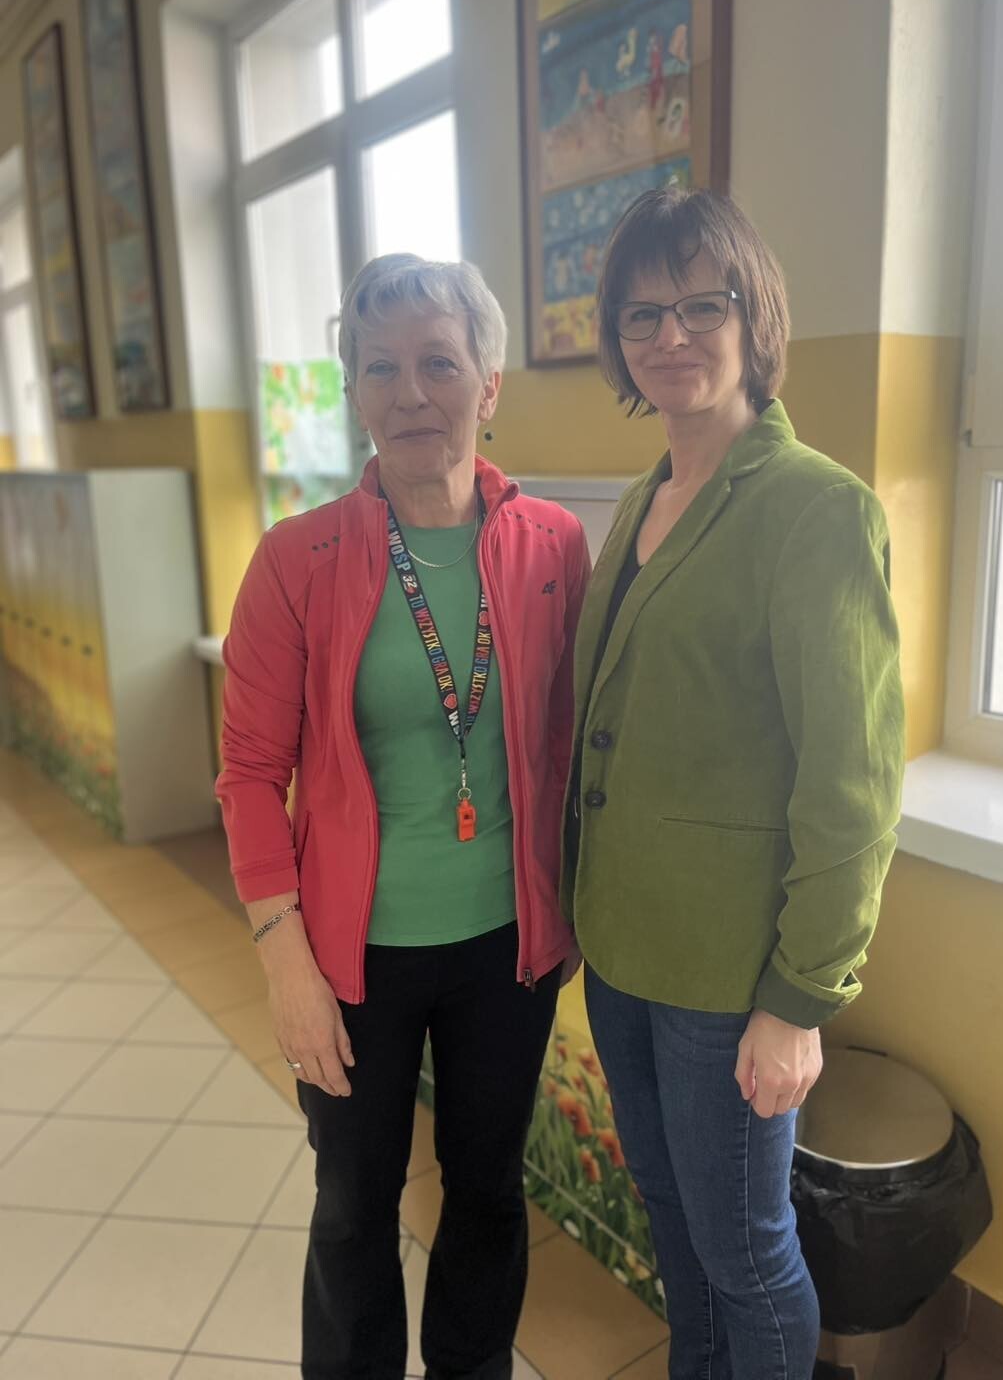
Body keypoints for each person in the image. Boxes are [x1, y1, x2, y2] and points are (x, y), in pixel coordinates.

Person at [217, 253, 591, 1380]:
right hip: (349, 957)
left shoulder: (553, 546)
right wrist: (283, 956)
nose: (410, 392)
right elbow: (248, 773)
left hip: (506, 949)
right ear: (353, 393)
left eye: (439, 362)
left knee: (487, 1192)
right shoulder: (298, 559)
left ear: (490, 384)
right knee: (352, 1202)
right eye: (379, 368)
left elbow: (574, 741)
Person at [561, 188, 905, 1380]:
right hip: (625, 949)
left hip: (731, 977)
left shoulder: (819, 510)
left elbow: (853, 788)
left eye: (701, 305)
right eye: (641, 313)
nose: (671, 335)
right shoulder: (640, 503)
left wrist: (800, 1000)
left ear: (754, 317)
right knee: (672, 1215)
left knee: (747, 1252)